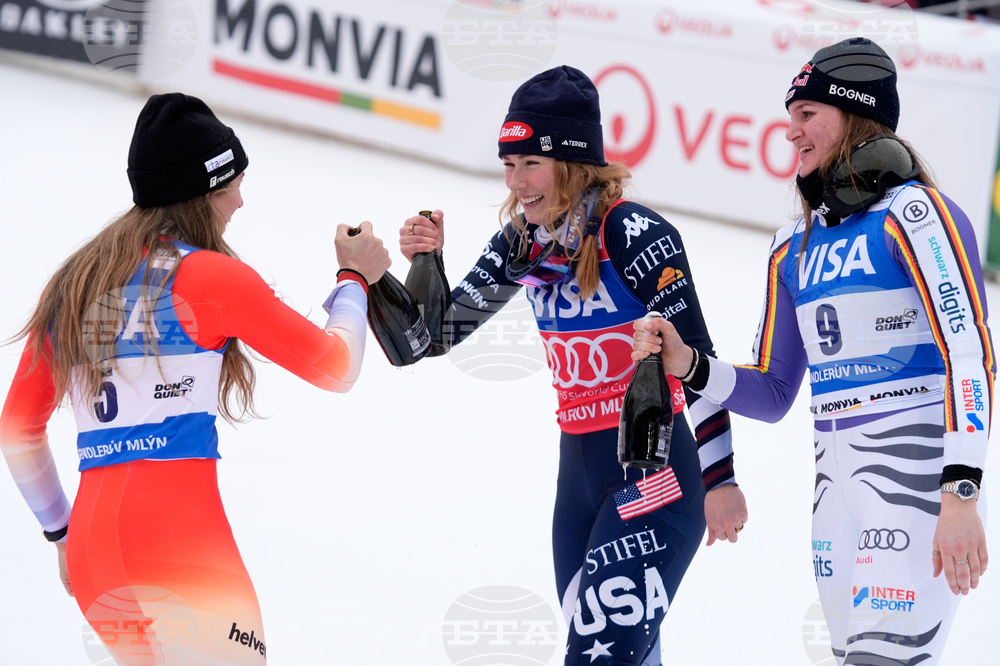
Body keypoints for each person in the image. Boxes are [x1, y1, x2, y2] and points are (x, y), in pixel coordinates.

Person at [633, 38, 993, 665]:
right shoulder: (790, 245)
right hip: (834, 492)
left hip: (915, 477)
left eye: (807, 114)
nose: (790, 130)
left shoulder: (915, 214)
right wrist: (687, 364)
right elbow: (773, 392)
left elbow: (971, 356)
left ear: (854, 115)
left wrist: (960, 495)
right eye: (789, 115)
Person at [0, 93, 390, 665]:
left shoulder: (74, 285)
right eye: (230, 182)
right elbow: (336, 367)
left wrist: (61, 534)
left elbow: (16, 430)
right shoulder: (209, 278)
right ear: (200, 191)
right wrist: (355, 278)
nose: (239, 199)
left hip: (93, 552)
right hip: (181, 546)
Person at [400, 65, 747, 666]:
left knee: (596, 659)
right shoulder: (524, 240)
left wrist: (721, 479)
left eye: (530, 163)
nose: (517, 182)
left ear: (573, 162)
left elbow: (700, 366)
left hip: (655, 478)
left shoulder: (633, 232)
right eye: (508, 165)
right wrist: (426, 261)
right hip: (578, 481)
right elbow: (433, 337)